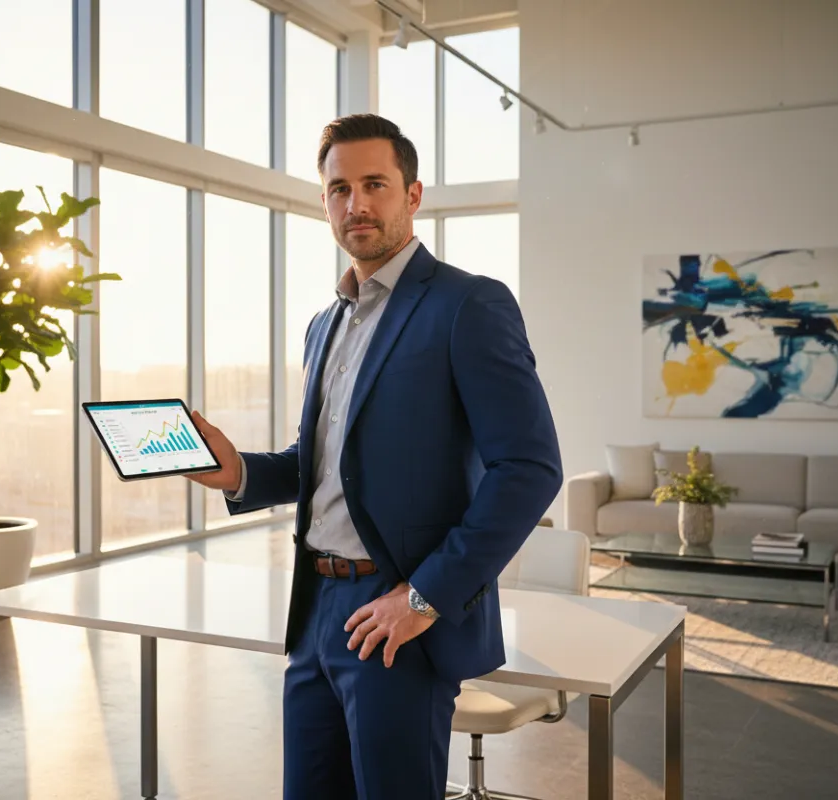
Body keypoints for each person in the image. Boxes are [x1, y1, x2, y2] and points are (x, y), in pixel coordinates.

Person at [186, 113, 562, 800]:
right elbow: (323, 462)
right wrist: (239, 470)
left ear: (412, 196)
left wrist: (425, 598)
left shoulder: (467, 305)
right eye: (338, 189)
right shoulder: (324, 324)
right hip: (316, 608)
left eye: (374, 184)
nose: (355, 204)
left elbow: (530, 470)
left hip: (400, 614)